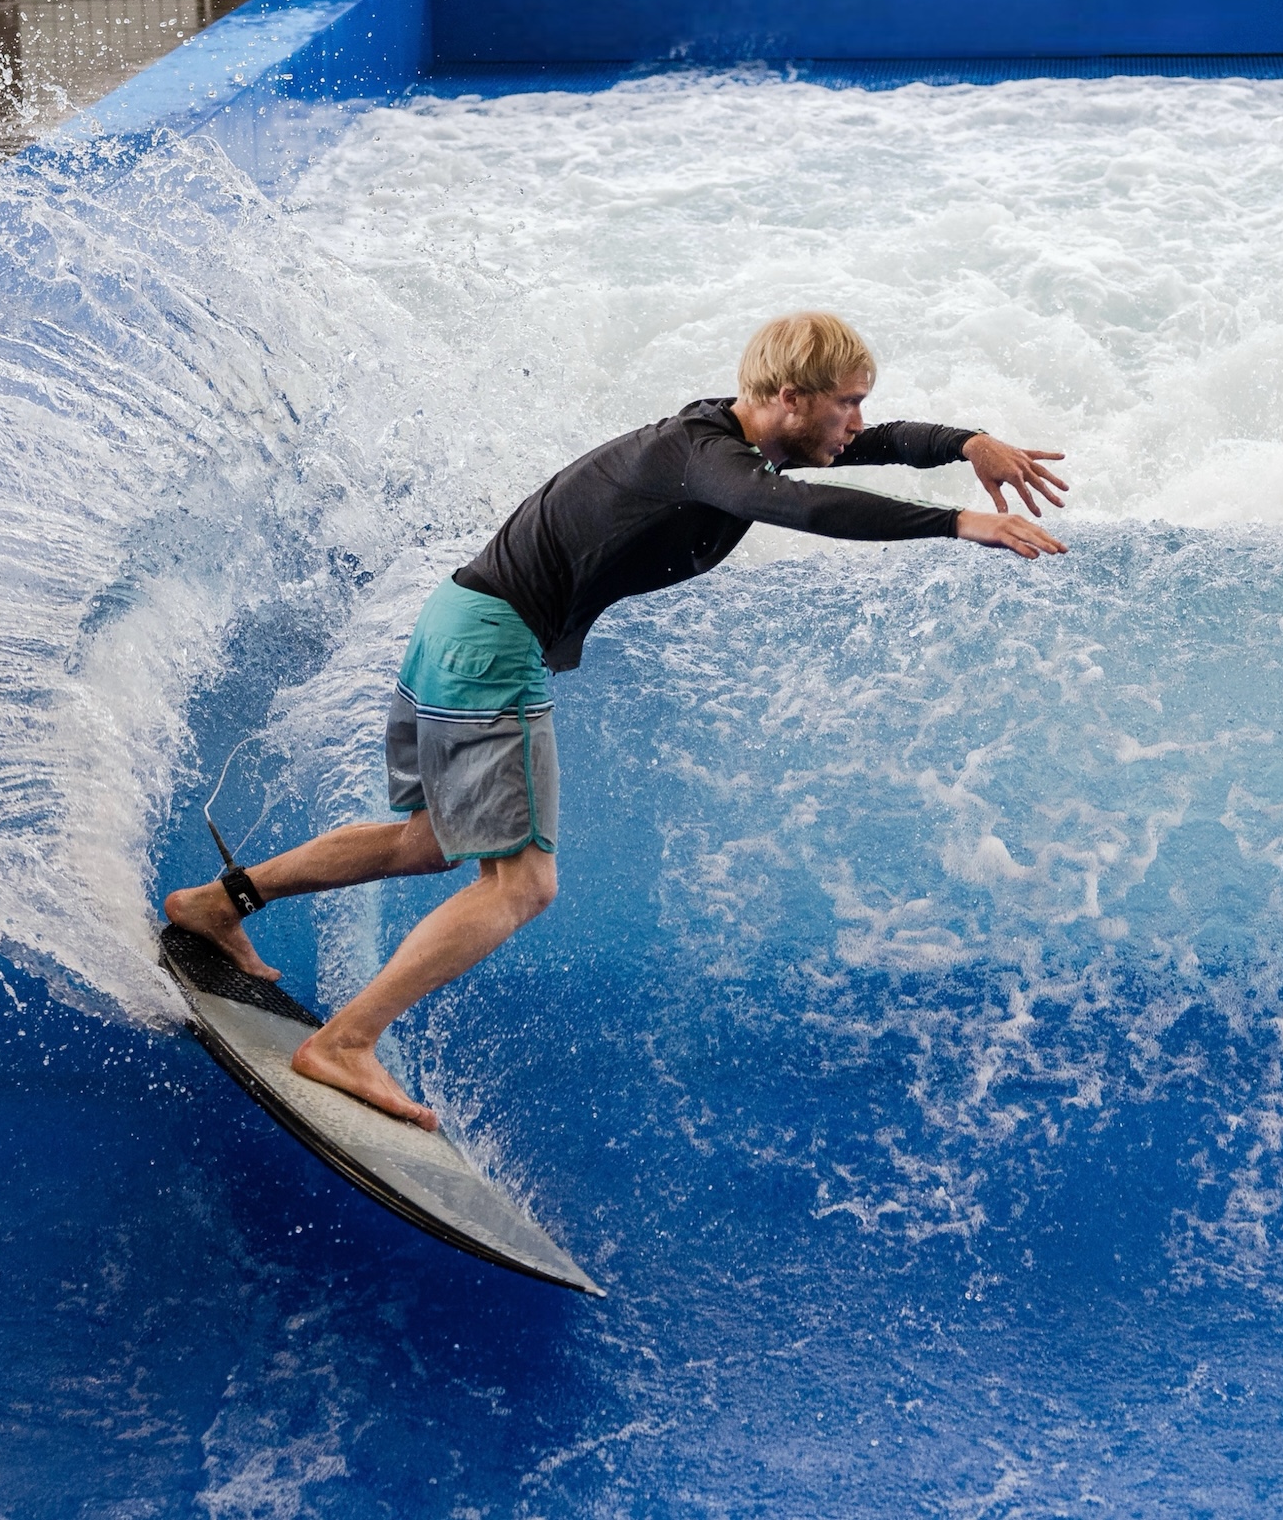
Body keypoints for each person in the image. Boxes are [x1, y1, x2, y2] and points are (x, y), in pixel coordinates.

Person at [164, 311, 1068, 1130]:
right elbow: (797, 507)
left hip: (461, 624)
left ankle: (216, 903)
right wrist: (959, 522)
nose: (860, 424)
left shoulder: (742, 438)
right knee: (522, 884)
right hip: (492, 646)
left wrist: (969, 442)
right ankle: (346, 1042)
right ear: (790, 398)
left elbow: (862, 455)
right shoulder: (706, 456)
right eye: (848, 405)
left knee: (430, 840)